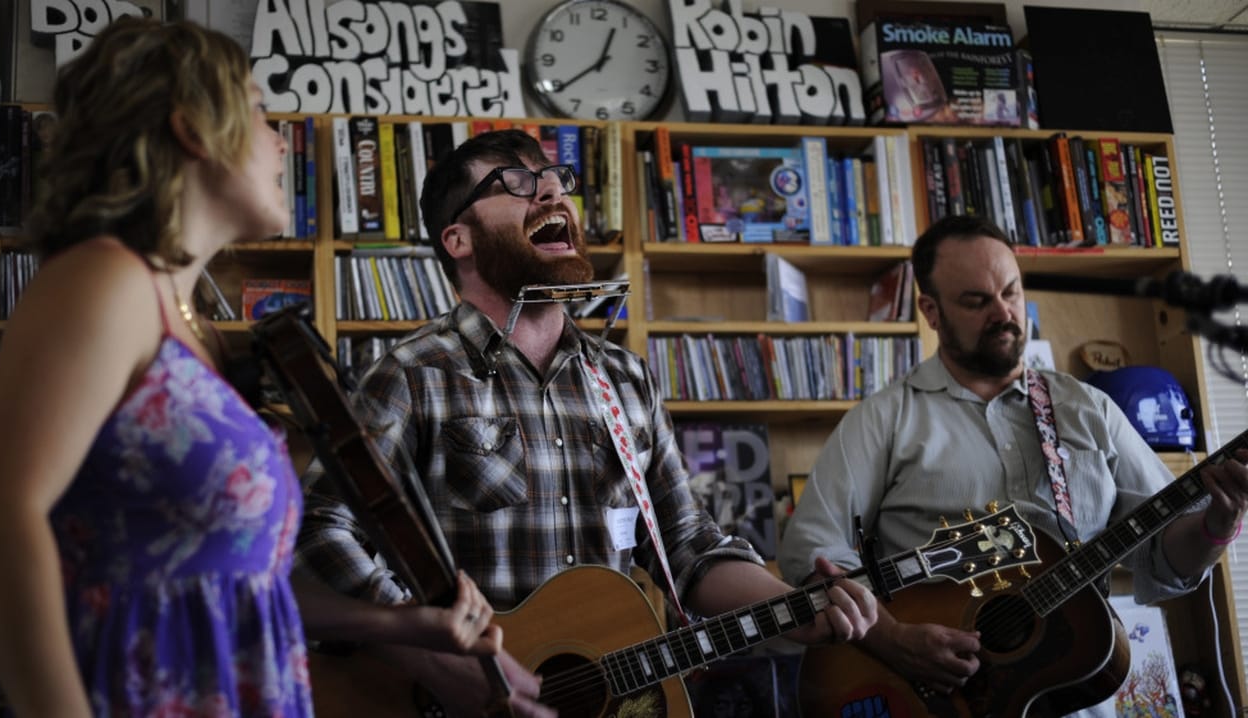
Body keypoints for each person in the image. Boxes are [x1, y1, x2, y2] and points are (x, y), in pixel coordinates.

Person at [0, 17, 506, 718]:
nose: (283, 141)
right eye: (259, 112)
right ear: (192, 128)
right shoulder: (104, 280)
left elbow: (233, 581)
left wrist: (402, 625)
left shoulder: (191, 327)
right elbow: (0, 515)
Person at [294, 128, 880, 715]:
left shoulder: (626, 380)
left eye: (556, 181)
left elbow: (684, 543)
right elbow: (318, 530)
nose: (550, 194)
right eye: (516, 184)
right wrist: (436, 656)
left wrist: (797, 607)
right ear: (458, 238)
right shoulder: (410, 374)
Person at [778, 215, 1248, 713]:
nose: (1003, 313)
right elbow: (810, 553)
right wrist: (894, 639)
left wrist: (1217, 524)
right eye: (977, 301)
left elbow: (1162, 555)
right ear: (931, 311)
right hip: (931, 697)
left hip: (1078, 691)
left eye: (1011, 292)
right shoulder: (884, 419)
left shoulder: (1090, 410)